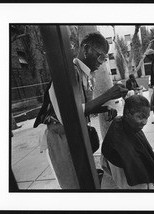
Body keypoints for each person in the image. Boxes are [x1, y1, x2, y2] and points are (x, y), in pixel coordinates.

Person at [33, 32, 128, 189]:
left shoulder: (85, 74)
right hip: (60, 138)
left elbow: (82, 107)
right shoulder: (66, 73)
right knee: (72, 184)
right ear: (86, 49)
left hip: (75, 135)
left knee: (84, 179)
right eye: (100, 57)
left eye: (105, 58)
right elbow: (68, 114)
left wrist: (105, 108)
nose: (102, 62)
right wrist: (108, 95)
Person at [100, 95, 154, 190]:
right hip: (125, 182)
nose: (145, 122)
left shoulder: (129, 125)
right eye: (140, 117)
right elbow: (123, 184)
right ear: (128, 113)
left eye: (147, 117)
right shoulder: (117, 146)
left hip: (136, 169)